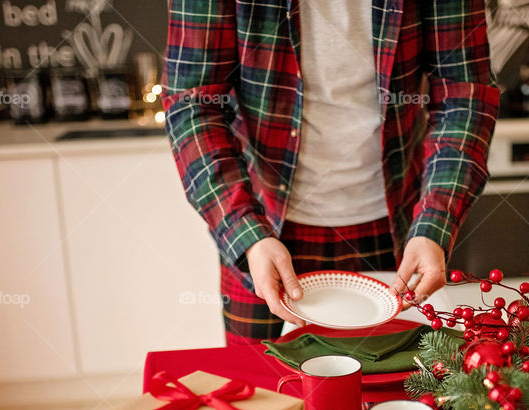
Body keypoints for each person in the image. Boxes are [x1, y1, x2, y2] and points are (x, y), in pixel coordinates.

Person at [163, 0, 498, 344]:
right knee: (261, 391)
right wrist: (245, 232)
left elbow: (464, 94)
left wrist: (435, 223)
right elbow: (192, 101)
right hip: (261, 229)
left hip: (400, 231)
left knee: (393, 389)